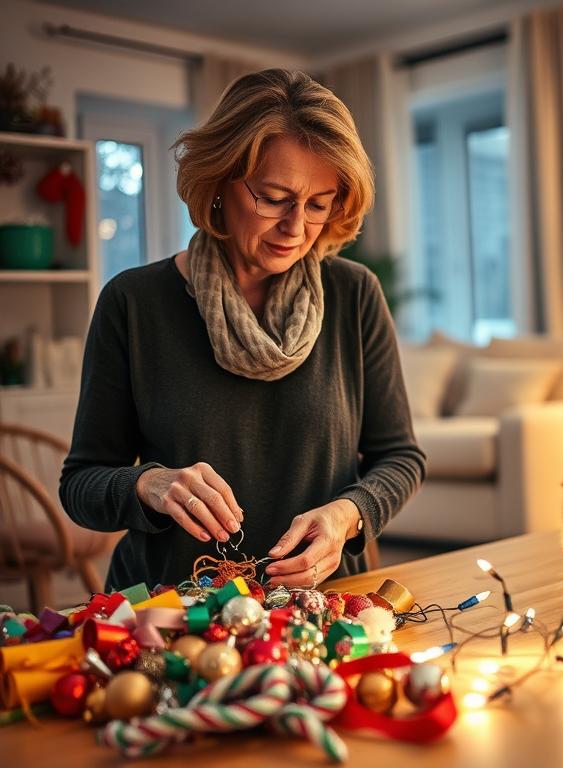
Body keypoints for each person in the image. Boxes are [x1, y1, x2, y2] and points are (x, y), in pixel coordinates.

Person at [60, 69, 425, 592]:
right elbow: (81, 483)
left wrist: (349, 514)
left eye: (318, 204)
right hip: (169, 609)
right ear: (218, 181)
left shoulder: (355, 294)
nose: (296, 228)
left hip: (323, 606)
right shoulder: (133, 302)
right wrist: (149, 483)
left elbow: (400, 457)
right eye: (273, 198)